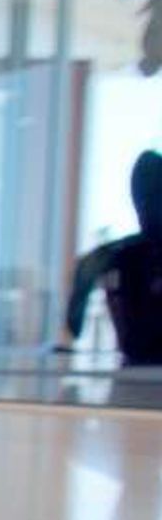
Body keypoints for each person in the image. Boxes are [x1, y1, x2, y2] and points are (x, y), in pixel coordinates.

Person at [66, 150, 162, 363]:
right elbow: (75, 322)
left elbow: (75, 322)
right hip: (135, 368)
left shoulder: (116, 254)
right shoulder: (120, 255)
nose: (147, 206)